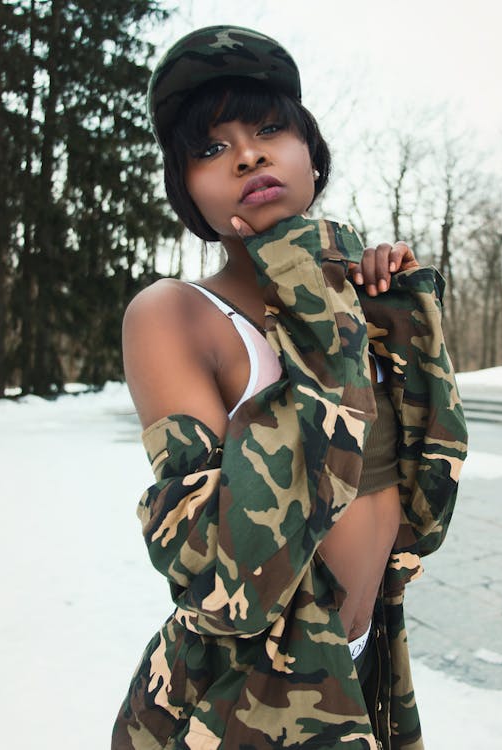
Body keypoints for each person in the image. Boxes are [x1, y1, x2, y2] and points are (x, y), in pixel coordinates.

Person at [113, 25, 467, 750]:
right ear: (185, 188)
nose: (247, 153)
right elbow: (224, 572)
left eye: (270, 128)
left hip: (360, 675)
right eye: (210, 148)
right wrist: (317, 306)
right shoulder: (175, 315)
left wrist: (399, 317)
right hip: (234, 706)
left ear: (311, 153)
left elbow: (427, 510)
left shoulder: (353, 307)